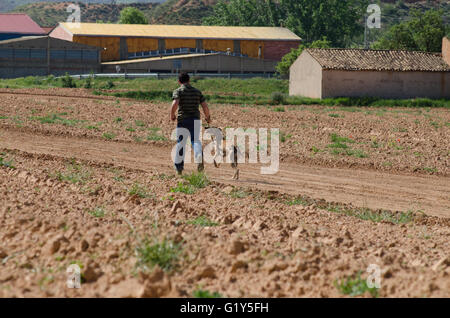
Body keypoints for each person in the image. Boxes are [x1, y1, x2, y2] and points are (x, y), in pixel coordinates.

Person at [170, 72, 211, 175]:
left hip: (183, 120)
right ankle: (199, 156)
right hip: (195, 120)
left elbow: (175, 103)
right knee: (195, 140)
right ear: (189, 80)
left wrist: (172, 115)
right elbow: (205, 106)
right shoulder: (197, 92)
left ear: (179, 81)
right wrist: (207, 117)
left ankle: (179, 168)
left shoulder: (178, 91)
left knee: (181, 143)